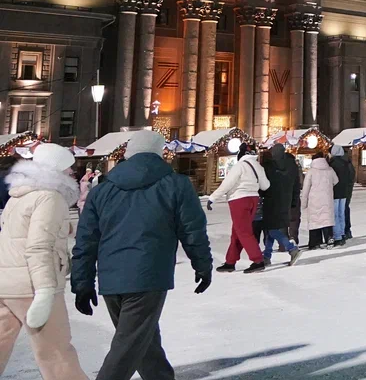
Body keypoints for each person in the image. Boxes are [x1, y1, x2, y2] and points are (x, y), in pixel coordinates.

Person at [71, 130, 212, 380]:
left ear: (128, 153)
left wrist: (82, 282)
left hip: (111, 278)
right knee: (128, 347)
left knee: (141, 341)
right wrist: (202, 265)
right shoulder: (176, 184)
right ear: (159, 152)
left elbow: (86, 240)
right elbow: (192, 230)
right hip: (149, 276)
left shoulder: (101, 191)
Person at [0, 144, 89, 379]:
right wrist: (45, 290)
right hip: (32, 285)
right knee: (57, 354)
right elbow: (38, 246)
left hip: (6, 283)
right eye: (69, 169)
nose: (73, 174)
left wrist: (64, 227)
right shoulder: (50, 197)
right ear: (57, 170)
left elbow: (18, 233)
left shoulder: (20, 195)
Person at [208, 146, 270, 274]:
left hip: (239, 199)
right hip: (253, 199)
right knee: (237, 232)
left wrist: (213, 197)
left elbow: (227, 184)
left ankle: (258, 260)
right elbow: (265, 186)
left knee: (243, 232)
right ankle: (230, 262)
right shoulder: (258, 166)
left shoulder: (240, 166)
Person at [259, 144, 302, 266]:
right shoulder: (292, 165)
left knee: (271, 228)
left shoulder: (269, 166)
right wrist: (293, 201)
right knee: (271, 228)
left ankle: (291, 249)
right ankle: (266, 256)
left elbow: (264, 184)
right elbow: (296, 185)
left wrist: (260, 193)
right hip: (286, 201)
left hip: (271, 200)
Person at [301, 154, 338, 248]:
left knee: (315, 220)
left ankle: (314, 242)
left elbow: (306, 188)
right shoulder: (330, 170)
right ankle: (329, 238)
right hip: (327, 198)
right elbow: (336, 180)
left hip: (314, 200)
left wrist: (304, 203)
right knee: (327, 220)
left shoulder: (311, 172)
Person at [329, 146, 356, 247]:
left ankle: (338, 236)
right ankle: (344, 232)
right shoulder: (347, 163)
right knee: (342, 213)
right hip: (345, 192)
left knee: (335, 214)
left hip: (335, 193)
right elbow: (351, 177)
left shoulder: (332, 164)